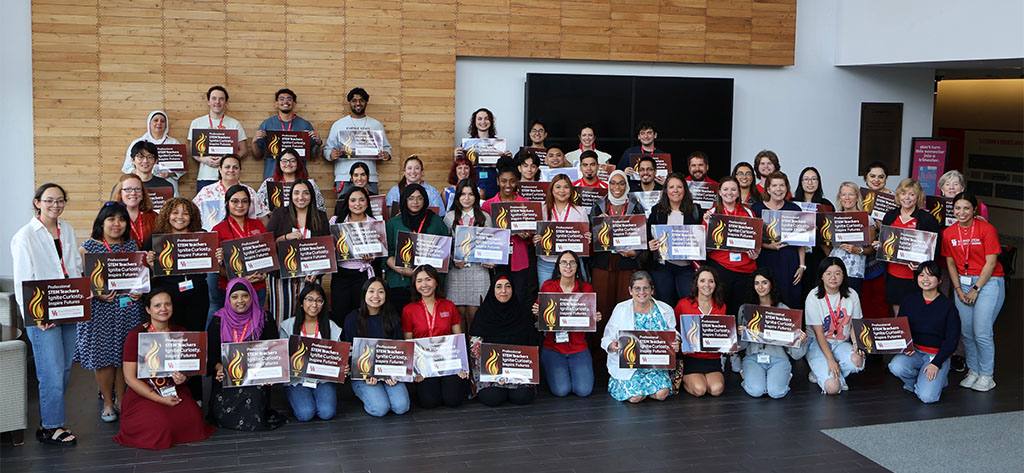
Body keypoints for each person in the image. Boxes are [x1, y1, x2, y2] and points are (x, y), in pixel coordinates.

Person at [11, 183, 83, 446]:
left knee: (64, 368)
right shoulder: (25, 236)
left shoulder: (68, 230)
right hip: (42, 315)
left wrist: (80, 297)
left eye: (60, 200)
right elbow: (22, 282)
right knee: (50, 371)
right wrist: (36, 316)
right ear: (37, 202)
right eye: (50, 200)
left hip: (68, 307)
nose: (56, 205)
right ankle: (50, 427)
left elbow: (74, 267)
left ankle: (50, 420)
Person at [115, 290, 215, 449]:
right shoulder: (136, 335)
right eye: (157, 305)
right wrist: (159, 399)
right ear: (148, 309)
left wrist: (184, 377)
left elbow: (186, 370)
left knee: (194, 420)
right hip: (144, 392)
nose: (163, 308)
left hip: (172, 388)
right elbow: (129, 378)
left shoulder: (180, 332)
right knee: (160, 427)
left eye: (167, 304)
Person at [77, 202, 144, 423]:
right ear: (101, 222)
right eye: (111, 219)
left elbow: (141, 278)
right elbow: (77, 284)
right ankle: (107, 401)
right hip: (99, 311)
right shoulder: (88, 248)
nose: (117, 224)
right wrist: (95, 294)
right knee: (103, 358)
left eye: (122, 219)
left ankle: (122, 399)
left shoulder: (133, 246)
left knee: (124, 357)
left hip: (127, 308)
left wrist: (138, 292)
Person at [142, 198, 210, 400]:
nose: (180, 217)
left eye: (185, 213)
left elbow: (211, 265)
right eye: (175, 212)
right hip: (166, 298)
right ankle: (166, 391)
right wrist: (151, 265)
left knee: (192, 344)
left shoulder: (203, 237)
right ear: (167, 215)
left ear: (193, 217)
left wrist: (217, 256)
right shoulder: (155, 239)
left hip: (196, 297)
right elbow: (147, 276)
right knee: (167, 343)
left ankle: (195, 394)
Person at [942, 191, 1005, 392]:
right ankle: (974, 371)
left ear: (974, 209)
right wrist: (959, 290)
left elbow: (991, 262)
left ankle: (987, 375)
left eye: (966, 208)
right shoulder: (949, 233)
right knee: (967, 333)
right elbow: (950, 263)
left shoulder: (986, 229)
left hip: (988, 282)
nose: (962, 212)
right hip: (963, 284)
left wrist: (976, 289)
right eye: (958, 208)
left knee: (982, 332)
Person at [208, 278, 285, 430]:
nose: (240, 301)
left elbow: (273, 352)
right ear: (228, 298)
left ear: (252, 296)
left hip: (256, 378)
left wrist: (271, 373)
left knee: (254, 398)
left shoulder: (264, 318)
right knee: (221, 410)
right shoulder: (219, 320)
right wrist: (218, 368)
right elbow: (211, 356)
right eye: (234, 296)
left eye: (245, 295)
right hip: (227, 377)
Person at [887, 262, 960, 403]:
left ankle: (937, 378)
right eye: (921, 275)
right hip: (915, 352)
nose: (925, 279)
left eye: (930, 275)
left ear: (940, 280)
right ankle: (918, 382)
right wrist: (906, 346)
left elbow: (952, 340)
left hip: (937, 355)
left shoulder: (948, 307)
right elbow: (902, 328)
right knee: (895, 366)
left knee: (928, 398)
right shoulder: (909, 301)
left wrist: (936, 363)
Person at [602, 271, 678, 403]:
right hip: (629, 366)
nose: (641, 292)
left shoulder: (665, 309)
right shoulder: (621, 309)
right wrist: (611, 345)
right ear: (630, 290)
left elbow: (674, 333)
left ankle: (645, 389)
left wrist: (676, 341)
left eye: (646, 288)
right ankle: (627, 386)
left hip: (655, 364)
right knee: (635, 398)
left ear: (652, 290)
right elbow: (607, 338)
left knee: (662, 394)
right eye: (637, 288)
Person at [533, 251, 601, 398]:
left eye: (572, 262)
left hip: (578, 347)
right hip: (554, 347)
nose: (568, 266)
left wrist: (594, 317)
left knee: (584, 391)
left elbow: (589, 317)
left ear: (577, 266)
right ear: (558, 266)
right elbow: (541, 318)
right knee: (561, 391)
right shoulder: (548, 286)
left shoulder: (586, 289)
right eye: (564, 262)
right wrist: (537, 312)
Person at [401, 265, 468, 408]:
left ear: (436, 282)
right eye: (419, 281)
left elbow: (458, 338)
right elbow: (408, 342)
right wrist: (415, 370)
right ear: (414, 284)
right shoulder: (408, 310)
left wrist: (462, 366)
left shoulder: (449, 306)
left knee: (453, 400)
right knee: (429, 402)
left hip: (447, 362)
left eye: (428, 279)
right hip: (423, 365)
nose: (424, 285)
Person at [343, 278, 411, 417]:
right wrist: (364, 374)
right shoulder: (352, 319)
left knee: (401, 407)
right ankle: (362, 392)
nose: (376, 296)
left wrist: (395, 374)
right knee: (380, 409)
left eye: (381, 292)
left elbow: (399, 350)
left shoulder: (392, 318)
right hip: (363, 376)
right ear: (364, 294)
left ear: (386, 295)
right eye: (371, 291)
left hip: (388, 373)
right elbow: (349, 354)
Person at [266, 179, 330, 325]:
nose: (300, 197)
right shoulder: (279, 213)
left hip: (310, 277)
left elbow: (326, 250)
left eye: (305, 193)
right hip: (281, 278)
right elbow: (268, 243)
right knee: (281, 317)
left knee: (308, 318)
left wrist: (317, 273)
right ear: (291, 195)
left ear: (311, 196)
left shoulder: (320, 216)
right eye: (296, 193)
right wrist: (286, 237)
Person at [737, 268, 808, 399]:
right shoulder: (745, 309)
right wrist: (740, 335)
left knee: (776, 392)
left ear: (771, 284)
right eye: (756, 283)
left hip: (778, 359)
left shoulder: (783, 309)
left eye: (764, 282)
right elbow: (741, 346)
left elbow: (796, 355)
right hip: (753, 358)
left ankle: (784, 376)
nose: (760, 287)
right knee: (756, 391)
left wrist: (800, 342)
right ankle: (749, 376)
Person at [471, 273, 540, 406]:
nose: (504, 291)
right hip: (490, 371)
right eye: (499, 287)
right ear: (493, 290)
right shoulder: (483, 314)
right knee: (492, 397)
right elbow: (475, 346)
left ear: (513, 289)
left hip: (518, 372)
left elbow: (531, 345)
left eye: (508, 286)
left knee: (522, 396)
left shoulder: (522, 314)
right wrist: (495, 376)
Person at [590, 171, 644, 337]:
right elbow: (590, 236)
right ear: (608, 185)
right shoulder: (598, 205)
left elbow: (642, 235)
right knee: (602, 309)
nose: (617, 187)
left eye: (621, 183)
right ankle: (600, 355)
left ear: (626, 186)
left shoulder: (635, 205)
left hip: (626, 265)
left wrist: (633, 252)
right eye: (613, 183)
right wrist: (598, 226)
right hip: (603, 265)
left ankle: (624, 353)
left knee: (625, 309)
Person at [278, 283, 342, 421]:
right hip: (297, 380)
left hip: (323, 380)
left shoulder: (331, 327)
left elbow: (338, 358)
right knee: (305, 414)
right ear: (301, 302)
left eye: (319, 300)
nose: (314, 304)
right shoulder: (287, 326)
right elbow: (281, 359)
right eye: (309, 299)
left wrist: (342, 366)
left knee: (327, 413)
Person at [877, 178, 940, 315]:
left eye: (912, 194)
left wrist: (923, 266)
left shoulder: (926, 219)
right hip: (893, 274)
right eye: (904, 193)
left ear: (918, 197)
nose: (907, 198)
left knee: (917, 314)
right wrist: (880, 245)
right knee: (898, 316)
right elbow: (886, 241)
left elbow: (936, 248)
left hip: (916, 276)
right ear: (898, 195)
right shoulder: (890, 216)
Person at [804, 258, 865, 395]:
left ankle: (834, 374)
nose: (833, 277)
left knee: (857, 361)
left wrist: (856, 344)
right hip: (818, 343)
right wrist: (831, 360)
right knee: (833, 388)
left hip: (841, 342)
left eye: (837, 273)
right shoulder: (813, 297)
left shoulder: (852, 295)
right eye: (828, 273)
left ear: (843, 275)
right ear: (821, 276)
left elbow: (855, 325)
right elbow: (819, 333)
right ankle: (828, 375)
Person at [482, 157, 536, 307]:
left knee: (519, 297)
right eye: (504, 181)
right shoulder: (487, 205)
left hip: (519, 257)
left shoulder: (526, 204)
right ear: (498, 181)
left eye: (512, 181)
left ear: (517, 181)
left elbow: (532, 235)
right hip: (497, 260)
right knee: (498, 298)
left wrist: (527, 236)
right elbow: (483, 234)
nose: (508, 185)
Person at [384, 184, 449, 310]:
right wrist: (403, 271)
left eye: (420, 198)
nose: (415, 202)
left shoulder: (436, 221)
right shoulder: (393, 223)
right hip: (401, 282)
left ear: (425, 200)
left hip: (430, 284)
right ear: (404, 200)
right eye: (411, 198)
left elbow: (445, 250)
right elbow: (387, 254)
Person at [702, 176, 760, 314]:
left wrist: (756, 253)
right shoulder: (712, 213)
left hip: (745, 269)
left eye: (733, 189)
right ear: (720, 192)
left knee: (741, 311)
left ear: (739, 192)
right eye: (726, 189)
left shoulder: (748, 213)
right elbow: (703, 245)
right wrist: (707, 225)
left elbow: (755, 242)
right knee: (722, 309)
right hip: (721, 268)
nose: (730, 193)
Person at [210, 185, 269, 319]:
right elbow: (216, 267)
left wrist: (263, 274)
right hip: (232, 290)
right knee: (233, 326)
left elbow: (267, 255)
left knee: (256, 323)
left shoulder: (258, 225)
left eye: (244, 201)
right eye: (235, 201)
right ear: (227, 203)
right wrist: (240, 279)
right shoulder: (218, 229)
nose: (240, 205)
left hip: (257, 285)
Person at [645, 173, 702, 306]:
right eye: (671, 187)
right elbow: (648, 235)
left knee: (689, 303)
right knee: (665, 304)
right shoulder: (657, 211)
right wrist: (650, 244)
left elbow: (700, 238)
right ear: (666, 191)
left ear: (685, 190)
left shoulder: (695, 210)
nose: (675, 190)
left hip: (687, 267)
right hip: (663, 266)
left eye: (679, 187)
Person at [751, 172, 806, 309]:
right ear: (768, 189)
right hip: (765, 259)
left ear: (787, 188)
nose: (779, 189)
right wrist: (769, 246)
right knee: (765, 298)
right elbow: (751, 239)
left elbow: (801, 242)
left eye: (782, 185)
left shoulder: (794, 209)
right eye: (774, 185)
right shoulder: (756, 209)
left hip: (789, 261)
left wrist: (802, 266)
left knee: (789, 298)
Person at [443, 179, 493, 328]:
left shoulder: (485, 217)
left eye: (471, 194)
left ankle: (475, 351)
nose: (466, 197)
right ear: (457, 196)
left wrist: (492, 260)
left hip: (478, 271)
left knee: (475, 317)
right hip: (456, 272)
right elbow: (445, 247)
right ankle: (462, 350)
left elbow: (492, 245)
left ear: (476, 197)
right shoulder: (449, 217)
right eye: (463, 194)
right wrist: (452, 259)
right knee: (459, 318)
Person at [324, 87, 392, 195]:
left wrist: (386, 154)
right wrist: (331, 154)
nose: (358, 103)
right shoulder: (339, 125)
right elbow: (327, 149)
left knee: (370, 210)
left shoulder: (376, 125)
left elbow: (387, 148)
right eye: (354, 100)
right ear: (350, 102)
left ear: (366, 102)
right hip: (344, 177)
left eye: (361, 100)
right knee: (344, 210)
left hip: (369, 178)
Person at [330, 186, 381, 325]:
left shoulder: (375, 223)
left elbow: (379, 251)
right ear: (347, 202)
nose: (357, 204)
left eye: (361, 200)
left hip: (363, 274)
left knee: (361, 314)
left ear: (367, 202)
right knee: (340, 313)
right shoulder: (336, 221)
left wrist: (373, 257)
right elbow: (329, 247)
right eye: (353, 200)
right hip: (341, 274)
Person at [674, 267, 727, 397]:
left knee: (716, 390)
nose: (707, 285)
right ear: (696, 283)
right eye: (702, 281)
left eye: (711, 281)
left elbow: (722, 334)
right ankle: (686, 381)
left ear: (715, 284)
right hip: (691, 358)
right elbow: (674, 330)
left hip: (712, 359)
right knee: (699, 390)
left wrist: (728, 345)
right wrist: (679, 344)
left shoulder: (721, 306)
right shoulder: (683, 304)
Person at [188, 86, 250, 191]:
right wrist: (204, 159)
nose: (217, 102)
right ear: (208, 101)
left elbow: (243, 150)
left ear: (226, 102)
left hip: (229, 178)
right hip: (205, 176)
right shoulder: (197, 123)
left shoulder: (234, 123)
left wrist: (227, 161)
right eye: (214, 98)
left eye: (221, 99)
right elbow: (192, 150)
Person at [252, 88, 322, 179]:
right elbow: (258, 155)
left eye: (289, 99)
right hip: (273, 176)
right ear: (276, 103)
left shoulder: (305, 125)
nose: (285, 101)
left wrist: (318, 142)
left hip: (299, 178)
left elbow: (314, 155)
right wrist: (254, 142)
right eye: (281, 99)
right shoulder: (267, 124)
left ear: (294, 103)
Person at [534, 174, 591, 284]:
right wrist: (535, 239)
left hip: (572, 264)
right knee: (548, 297)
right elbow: (536, 234)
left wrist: (587, 239)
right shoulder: (542, 210)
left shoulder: (580, 211)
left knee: (574, 298)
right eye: (558, 187)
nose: (562, 190)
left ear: (571, 190)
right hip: (547, 263)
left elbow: (585, 238)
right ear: (552, 189)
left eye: (566, 187)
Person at [192, 155, 269, 232]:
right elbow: (193, 215)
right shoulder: (206, 192)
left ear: (240, 170)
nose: (231, 170)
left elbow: (263, 217)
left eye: (235, 167)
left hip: (244, 239)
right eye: (227, 167)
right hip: (214, 238)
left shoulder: (250, 192)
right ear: (220, 169)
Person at [825, 182, 875, 292]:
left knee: (851, 304)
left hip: (854, 271)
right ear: (839, 197)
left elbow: (872, 249)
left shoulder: (867, 219)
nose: (847, 198)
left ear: (857, 197)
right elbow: (825, 242)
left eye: (851, 194)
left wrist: (858, 250)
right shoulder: (833, 218)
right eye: (843, 194)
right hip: (833, 269)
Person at [796, 167, 835, 300]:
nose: (810, 182)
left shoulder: (825, 204)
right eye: (806, 179)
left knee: (816, 293)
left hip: (819, 254)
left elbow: (831, 233)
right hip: (797, 255)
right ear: (801, 182)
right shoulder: (793, 203)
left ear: (818, 182)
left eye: (814, 179)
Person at [860, 160, 893, 318]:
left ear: (886, 179)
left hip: (883, 256)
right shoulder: (858, 197)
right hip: (860, 254)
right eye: (872, 176)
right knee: (863, 297)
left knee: (881, 297)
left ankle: (881, 333)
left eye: (881, 176)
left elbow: (898, 233)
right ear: (866, 177)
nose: (876, 180)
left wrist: (882, 227)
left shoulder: (893, 200)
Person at [121, 111, 183, 195]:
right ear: (149, 123)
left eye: (162, 121)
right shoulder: (138, 143)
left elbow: (182, 167)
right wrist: (139, 171)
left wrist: (170, 174)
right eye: (155, 120)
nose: (159, 123)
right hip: (142, 184)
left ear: (166, 124)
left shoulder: (174, 143)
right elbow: (126, 167)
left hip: (167, 184)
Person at [454, 108, 511, 198]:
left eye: (486, 118)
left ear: (491, 121)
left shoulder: (498, 144)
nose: (483, 121)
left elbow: (503, 168)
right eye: (480, 119)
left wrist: (507, 159)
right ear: (474, 122)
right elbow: (461, 168)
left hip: (492, 183)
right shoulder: (467, 144)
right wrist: (457, 158)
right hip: (473, 184)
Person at [254, 148, 327, 213]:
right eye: (284, 161)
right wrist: (268, 213)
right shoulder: (269, 182)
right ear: (278, 163)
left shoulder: (309, 182)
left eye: (292, 161)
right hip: (276, 222)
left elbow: (320, 208)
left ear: (298, 163)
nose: (288, 164)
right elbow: (257, 205)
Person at [111, 174, 158, 247]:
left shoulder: (154, 217)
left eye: (137, 189)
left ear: (142, 194)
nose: (133, 193)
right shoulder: (110, 218)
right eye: (128, 189)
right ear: (120, 193)